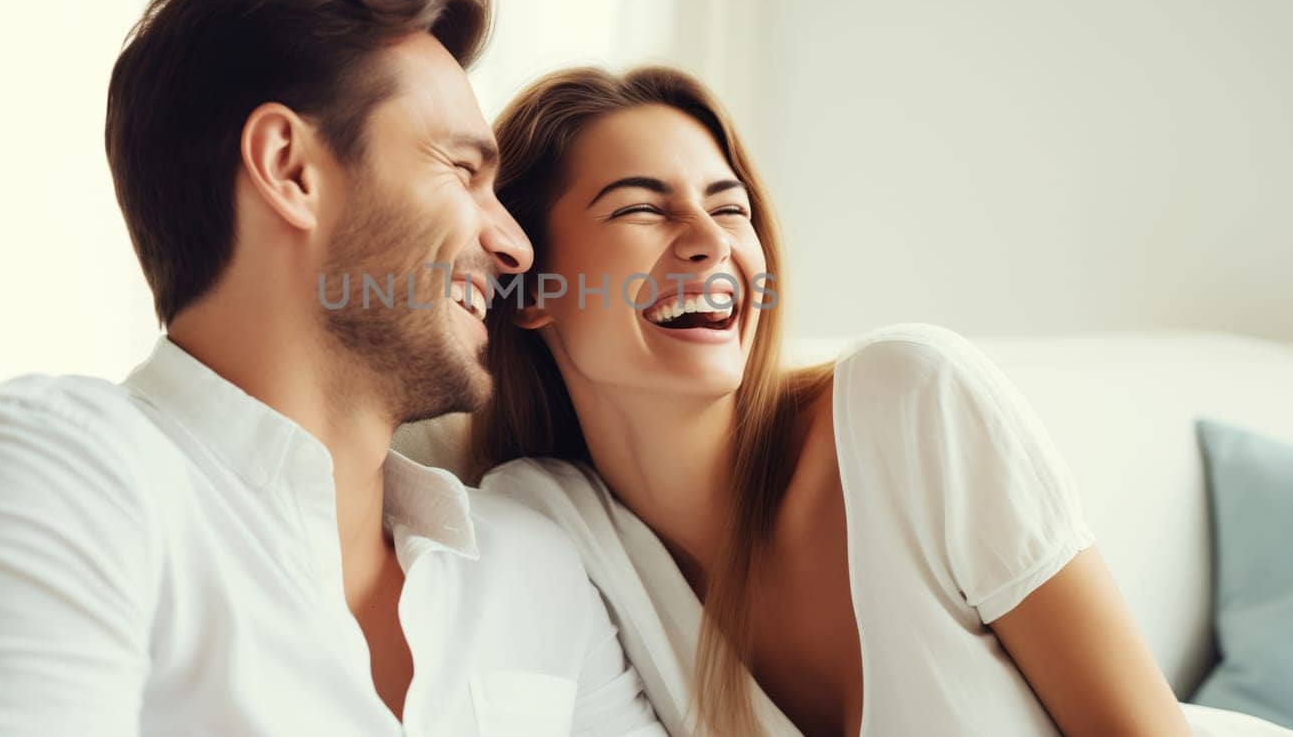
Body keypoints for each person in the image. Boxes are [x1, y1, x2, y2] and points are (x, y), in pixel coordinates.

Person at [0, 0, 663, 736]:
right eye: (462, 170)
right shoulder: (56, 475)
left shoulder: (531, 569)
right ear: (291, 169)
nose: (513, 243)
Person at [467, 65, 1236, 735]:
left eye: (730, 207)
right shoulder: (555, 529)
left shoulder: (910, 406)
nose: (710, 241)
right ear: (533, 287)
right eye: (641, 208)